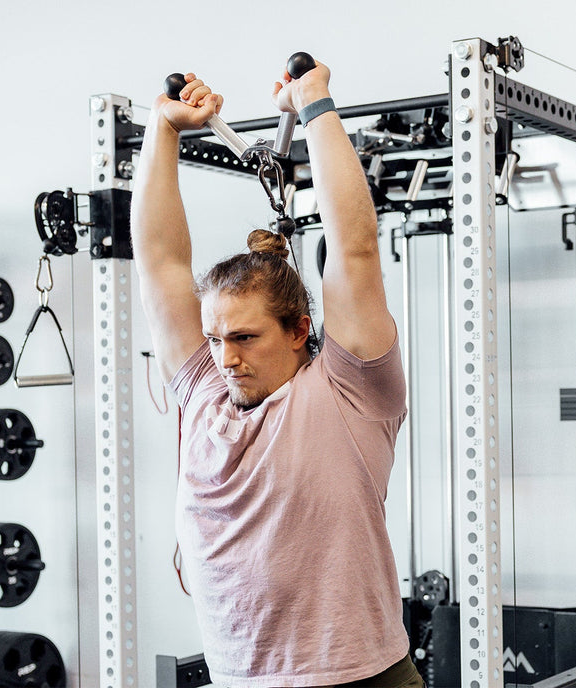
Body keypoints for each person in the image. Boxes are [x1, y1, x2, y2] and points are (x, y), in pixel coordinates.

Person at [130, 58, 423, 688]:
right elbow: (158, 263)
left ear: (297, 332)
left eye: (244, 337)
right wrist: (164, 128)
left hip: (359, 678)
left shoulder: (350, 392)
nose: (225, 356)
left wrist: (314, 104)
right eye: (214, 338)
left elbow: (355, 248)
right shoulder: (205, 395)